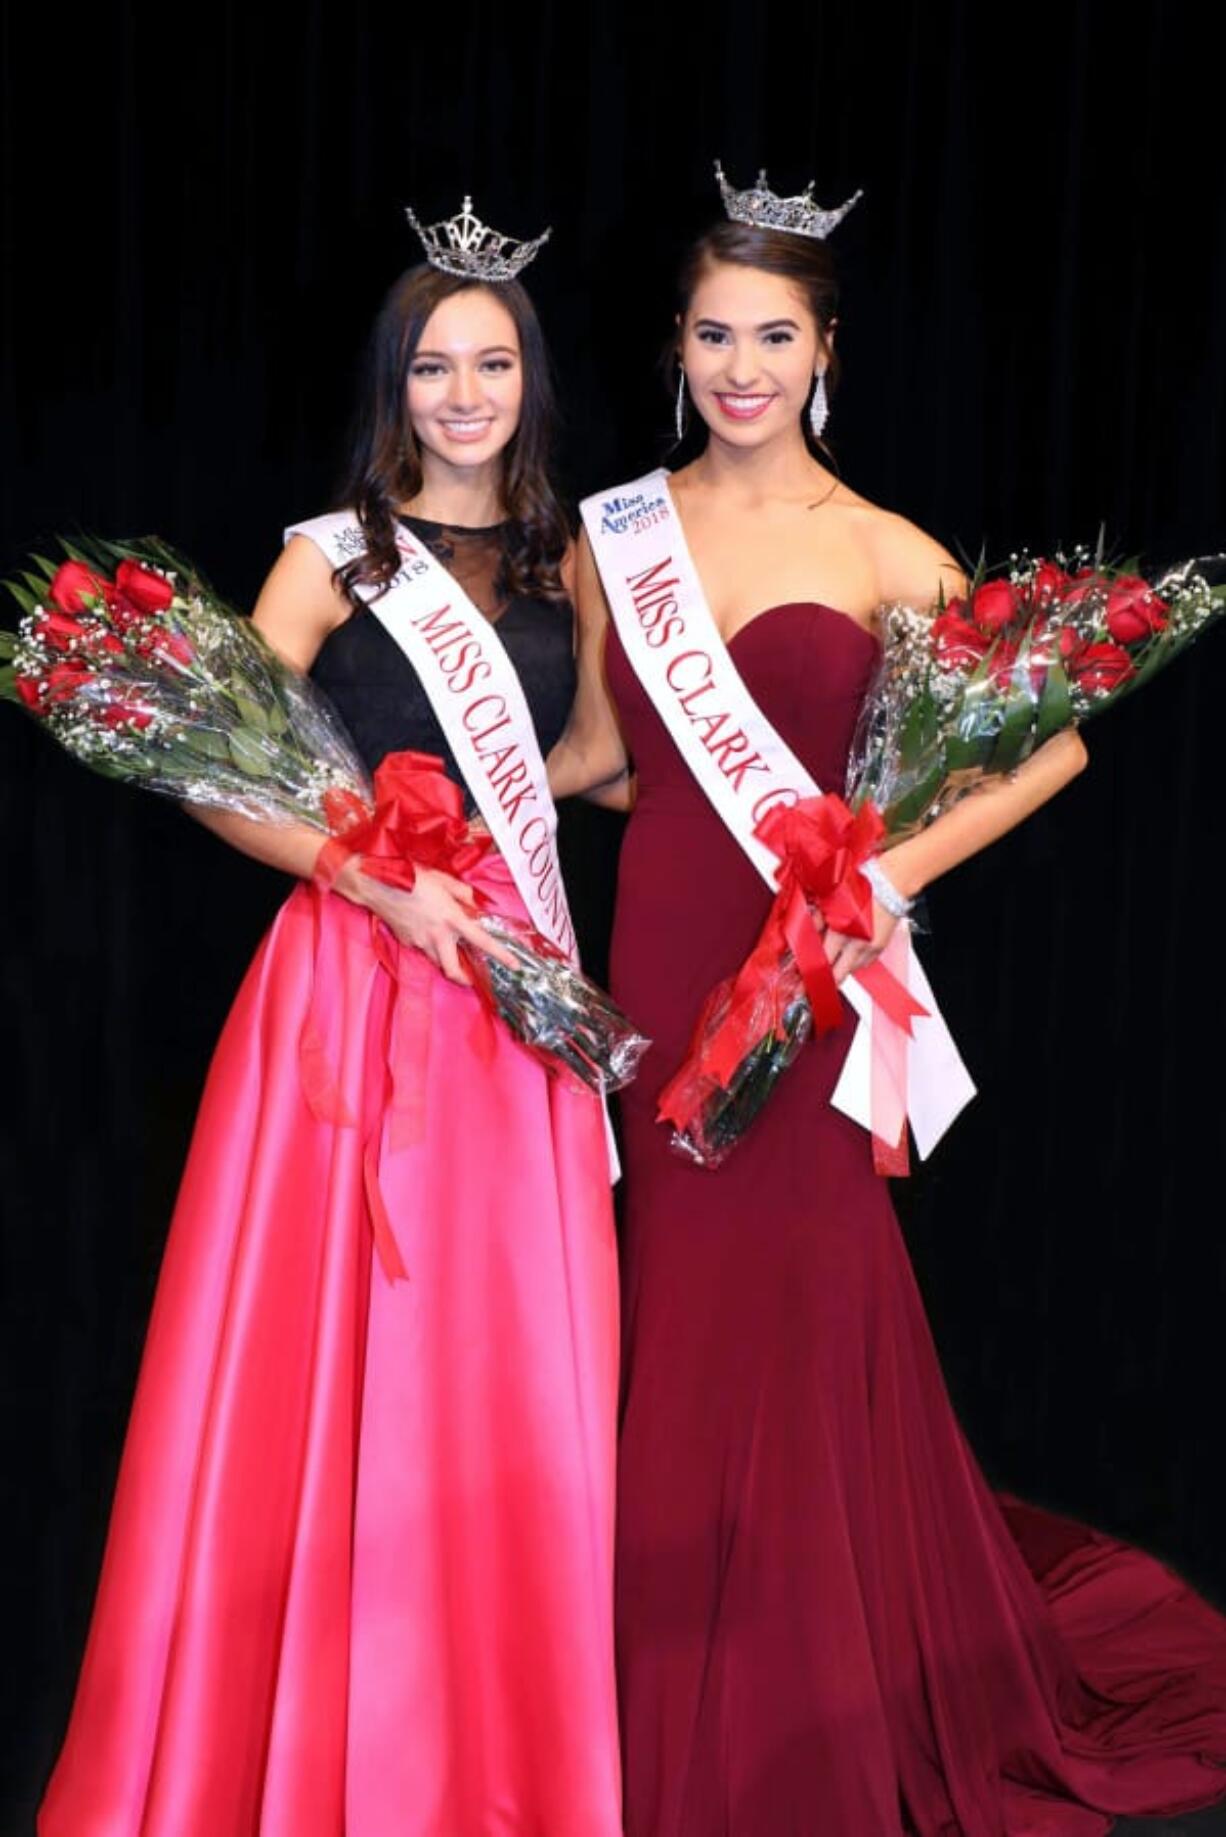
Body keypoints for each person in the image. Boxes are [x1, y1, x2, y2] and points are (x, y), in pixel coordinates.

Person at [550, 167, 1226, 1835]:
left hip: (808, 975)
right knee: (665, 1318)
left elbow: (1050, 738)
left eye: (770, 334)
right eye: (713, 333)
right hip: (656, 965)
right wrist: (386, 779)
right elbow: (601, 765)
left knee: (790, 1309)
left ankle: (796, 1696)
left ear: (824, 346)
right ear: (675, 349)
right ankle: (653, 1686)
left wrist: (879, 880)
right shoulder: (609, 533)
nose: (739, 366)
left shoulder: (882, 548)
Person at [39, 199, 622, 1837]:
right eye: (432, 365)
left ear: (528, 379)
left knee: (499, 1373)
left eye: (489, 363)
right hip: (350, 987)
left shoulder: (567, 557)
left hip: (508, 991)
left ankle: (487, 1757)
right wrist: (372, 880)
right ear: (393, 384)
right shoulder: (329, 554)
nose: (461, 393)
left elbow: (585, 764)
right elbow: (210, 767)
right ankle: (307, 1751)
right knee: (333, 1361)